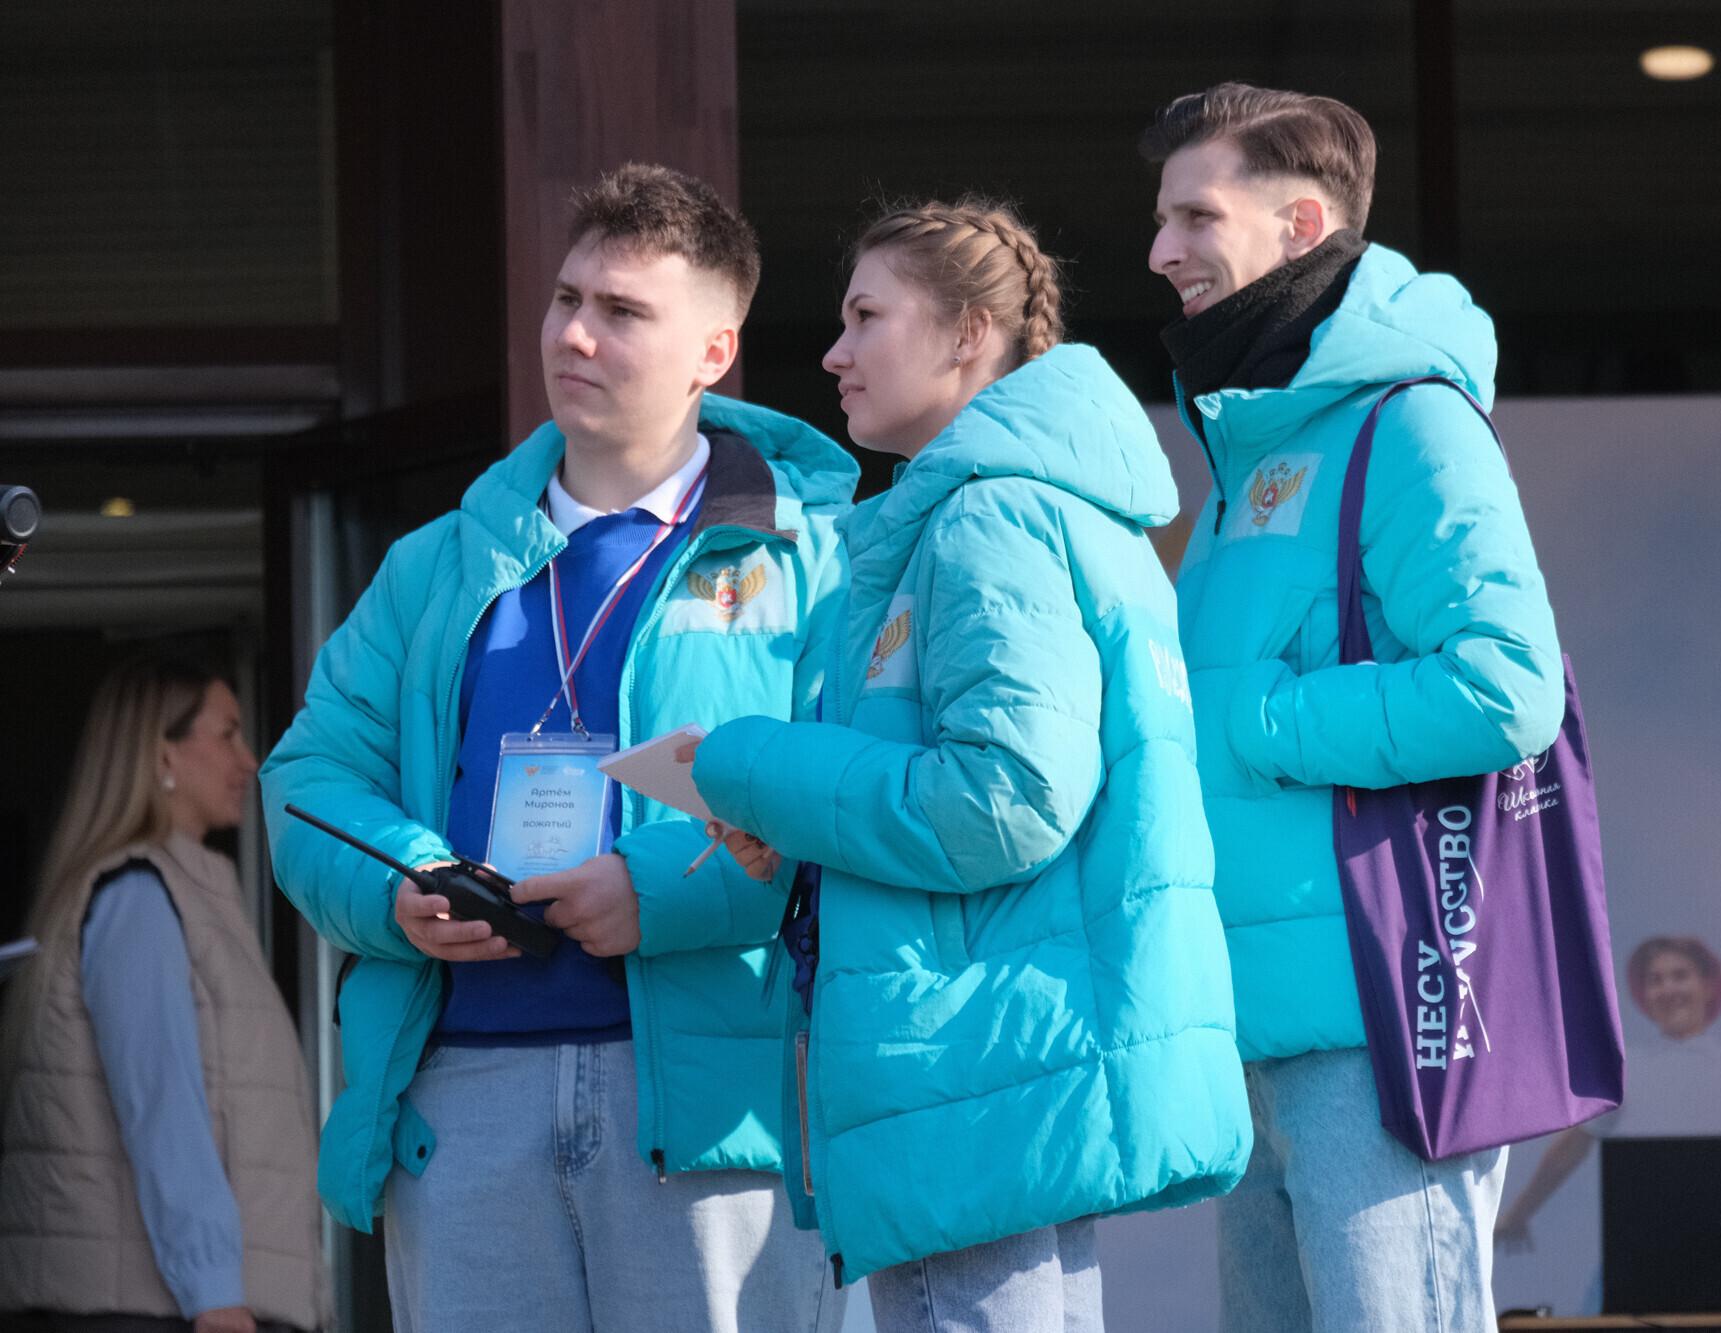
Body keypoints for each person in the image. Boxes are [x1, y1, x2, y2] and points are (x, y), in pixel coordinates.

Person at [259, 164, 856, 1333]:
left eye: (622, 311)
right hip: (463, 1093)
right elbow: (307, 780)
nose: (574, 333)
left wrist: (658, 890)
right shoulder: (435, 563)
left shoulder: (809, 561)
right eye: (566, 298)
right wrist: (400, 883)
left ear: (713, 352)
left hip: (715, 1103)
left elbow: (846, 804)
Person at [687, 198, 1252, 1333]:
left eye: (866, 317)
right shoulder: (1034, 507)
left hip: (969, 1061)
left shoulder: (986, 518)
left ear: (967, 334)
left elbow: (1005, 800)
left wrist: (749, 765)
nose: (833, 353)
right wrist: (794, 824)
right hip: (997, 1051)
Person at [1139, 83, 1567, 1333]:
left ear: (1300, 224)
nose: (1159, 251)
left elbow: (1506, 685)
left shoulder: (1411, 419)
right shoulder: (1248, 452)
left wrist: (1263, 720)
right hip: (1255, 1031)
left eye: (1194, 216)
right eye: (1159, 218)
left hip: (1382, 1028)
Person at [0, 656, 328, 1333]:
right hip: (161, 1310)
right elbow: (161, 1099)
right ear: (162, 754)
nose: (249, 759)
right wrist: (213, 1289)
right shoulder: (139, 896)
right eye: (228, 733)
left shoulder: (174, 892)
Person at [1492, 796, 1721, 1309]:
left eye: (1679, 975)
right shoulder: (1627, 1070)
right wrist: (1516, 1215)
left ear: (1707, 986)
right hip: (1635, 1256)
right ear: (1644, 996)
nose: (1668, 988)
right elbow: (1570, 1148)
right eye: (1655, 979)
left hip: (1720, 1253)